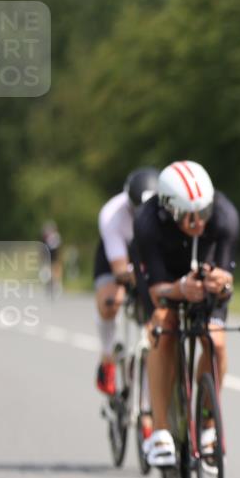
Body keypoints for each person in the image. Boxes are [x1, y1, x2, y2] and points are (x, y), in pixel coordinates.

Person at [134, 161, 240, 466]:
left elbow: (227, 281)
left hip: (205, 279)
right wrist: (180, 288)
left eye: (203, 212)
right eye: (187, 215)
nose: (197, 223)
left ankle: (208, 424)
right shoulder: (146, 222)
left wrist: (221, 283)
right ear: (168, 209)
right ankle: (160, 431)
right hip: (165, 279)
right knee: (162, 329)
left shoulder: (225, 216)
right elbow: (156, 291)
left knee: (215, 341)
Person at [94, 167, 159, 397]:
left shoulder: (164, 210)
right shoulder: (112, 214)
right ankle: (107, 355)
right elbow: (120, 269)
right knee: (111, 302)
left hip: (146, 255)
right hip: (117, 256)